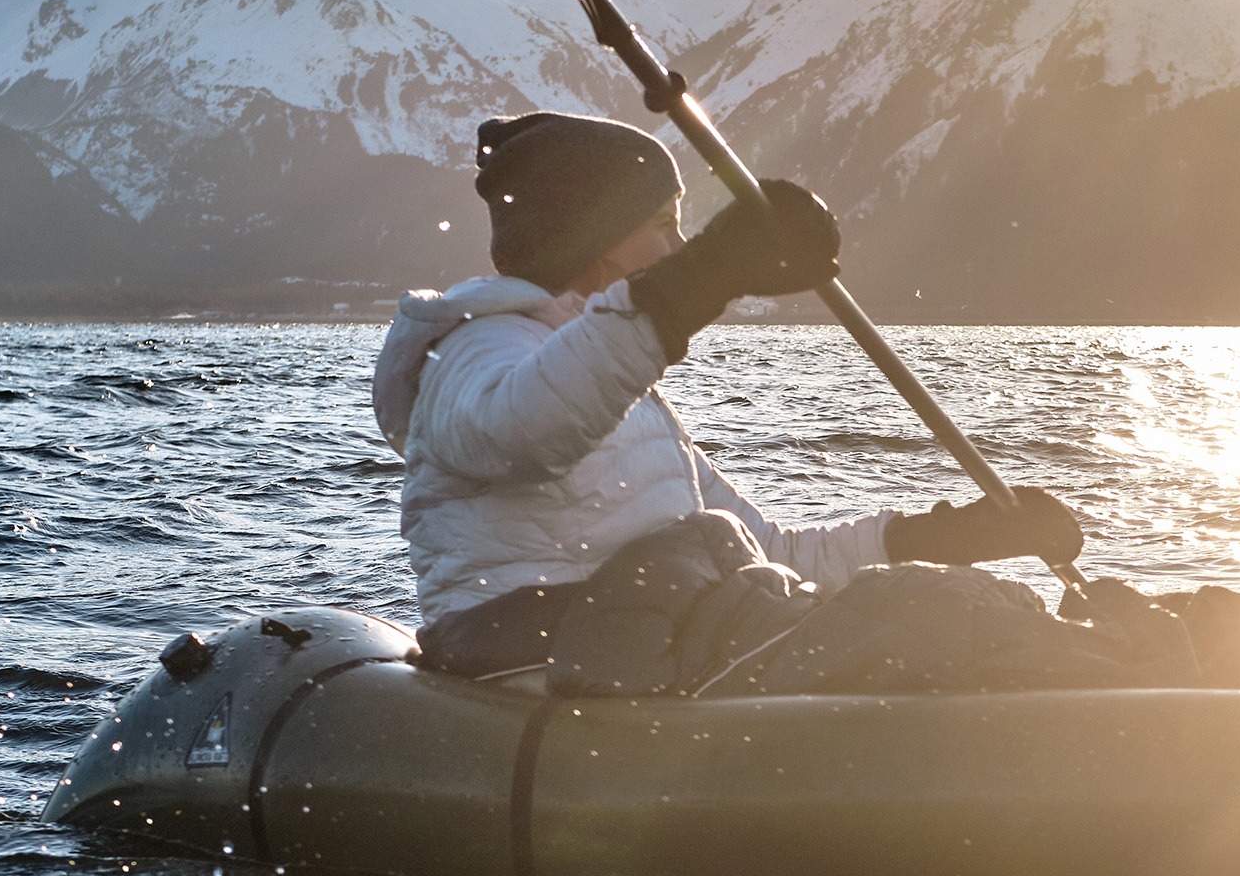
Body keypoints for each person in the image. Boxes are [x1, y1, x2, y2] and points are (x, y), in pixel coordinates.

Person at [371, 111, 1198, 697]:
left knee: (939, 601)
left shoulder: (622, 391)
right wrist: (707, 276)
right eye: (660, 226)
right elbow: (525, 430)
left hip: (667, 634)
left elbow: (772, 552)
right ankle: (1151, 698)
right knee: (919, 620)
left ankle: (1143, 664)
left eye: (684, 232)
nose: (676, 249)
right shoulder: (476, 349)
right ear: (587, 233)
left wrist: (947, 537)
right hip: (569, 656)